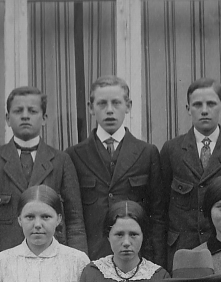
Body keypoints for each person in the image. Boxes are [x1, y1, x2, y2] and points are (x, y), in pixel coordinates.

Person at [0, 85, 86, 266]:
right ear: (7, 119)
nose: (25, 116)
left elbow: (75, 220)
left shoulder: (61, 161)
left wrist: (76, 265)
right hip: (8, 263)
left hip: (54, 262)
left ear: (44, 118)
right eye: (18, 111)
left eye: (32, 111)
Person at [66, 76, 167, 263]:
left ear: (128, 106)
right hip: (93, 258)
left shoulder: (147, 153)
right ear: (90, 107)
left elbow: (158, 216)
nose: (110, 110)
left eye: (116, 103)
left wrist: (155, 263)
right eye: (102, 103)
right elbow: (73, 218)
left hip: (136, 258)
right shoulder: (75, 155)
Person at [159, 79, 221, 269]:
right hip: (182, 250)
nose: (204, 111)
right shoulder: (172, 150)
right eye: (197, 105)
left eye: (211, 104)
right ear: (188, 109)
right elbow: (160, 210)